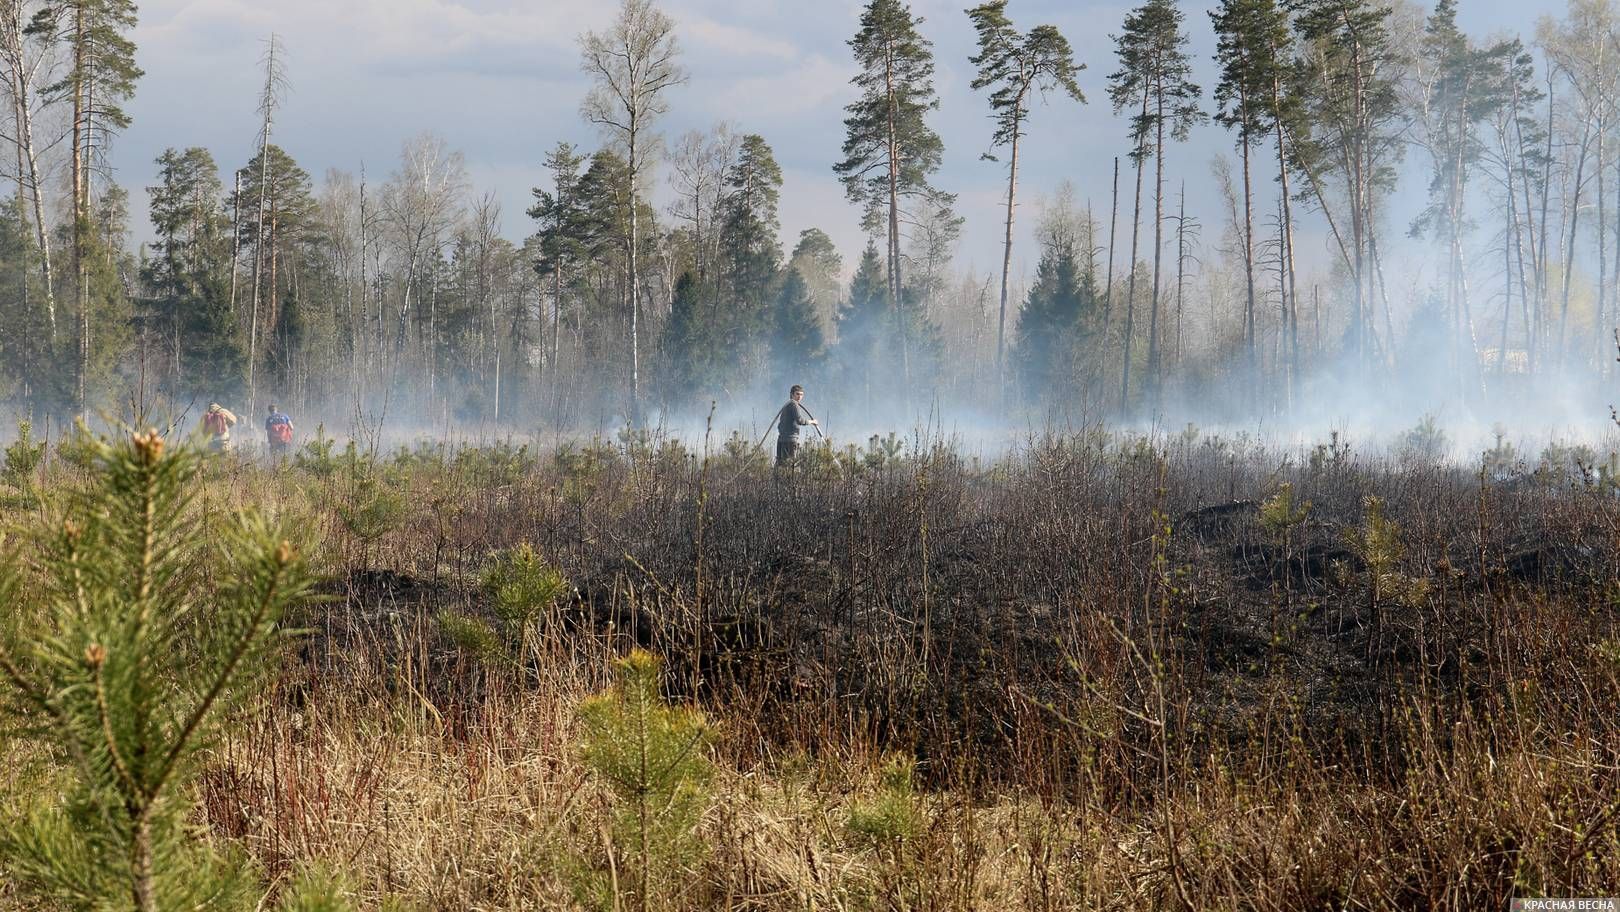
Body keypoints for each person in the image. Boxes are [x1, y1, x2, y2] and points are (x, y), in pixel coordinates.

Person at [773, 384, 818, 466]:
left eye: (801, 394)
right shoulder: (793, 404)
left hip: (782, 439)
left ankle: (778, 478)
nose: (799, 397)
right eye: (797, 394)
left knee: (780, 464)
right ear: (792, 394)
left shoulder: (788, 404)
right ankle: (786, 479)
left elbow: (781, 424)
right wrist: (812, 422)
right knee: (790, 464)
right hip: (790, 440)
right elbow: (800, 420)